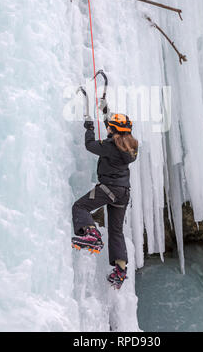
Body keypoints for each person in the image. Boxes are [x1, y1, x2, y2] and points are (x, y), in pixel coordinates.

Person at [72, 101, 138, 289]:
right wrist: (106, 113)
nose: (108, 129)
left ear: (113, 130)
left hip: (109, 189)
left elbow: (90, 145)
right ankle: (120, 268)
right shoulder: (131, 146)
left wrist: (89, 127)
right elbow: (115, 129)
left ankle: (91, 234)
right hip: (123, 194)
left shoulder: (110, 145)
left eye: (110, 128)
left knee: (80, 206)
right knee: (116, 231)